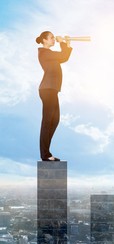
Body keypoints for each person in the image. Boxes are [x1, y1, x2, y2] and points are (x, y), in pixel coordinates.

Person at [36, 31, 72, 161]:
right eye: (51, 38)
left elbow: (64, 57)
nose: (53, 40)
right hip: (47, 89)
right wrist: (62, 43)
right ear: (44, 40)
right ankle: (45, 155)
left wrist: (67, 43)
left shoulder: (50, 54)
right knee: (47, 121)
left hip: (52, 90)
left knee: (55, 120)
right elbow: (62, 55)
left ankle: (46, 152)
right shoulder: (44, 53)